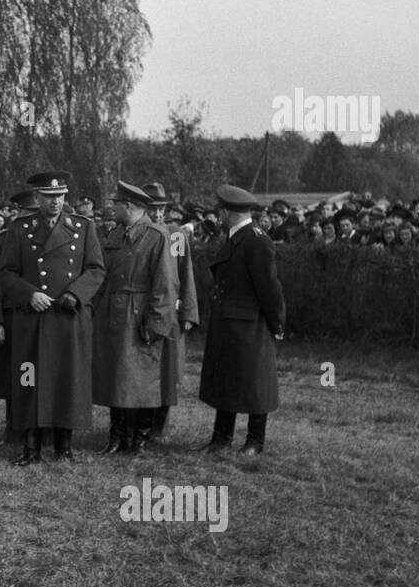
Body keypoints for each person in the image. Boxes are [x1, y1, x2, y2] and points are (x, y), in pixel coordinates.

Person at [0, 170, 105, 465]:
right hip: (32, 319)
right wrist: (29, 293)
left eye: (59, 196)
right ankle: (31, 448)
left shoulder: (83, 228)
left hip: (68, 318)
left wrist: (75, 294)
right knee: (29, 379)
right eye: (48, 197)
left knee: (66, 380)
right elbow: (6, 273)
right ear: (36, 198)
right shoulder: (20, 229)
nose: (55, 202)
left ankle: (64, 449)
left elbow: (96, 269)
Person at [197, 185, 286, 457]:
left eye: (221, 211)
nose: (219, 216)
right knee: (228, 381)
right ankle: (221, 438)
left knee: (255, 383)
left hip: (249, 324)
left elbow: (269, 287)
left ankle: (254, 441)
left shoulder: (255, 240)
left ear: (227, 212)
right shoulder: (238, 237)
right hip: (231, 321)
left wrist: (277, 323)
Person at [90, 182, 178, 455]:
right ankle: (116, 437)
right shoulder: (115, 233)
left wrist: (156, 322)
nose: (112, 207)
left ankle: (138, 439)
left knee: (143, 380)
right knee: (116, 377)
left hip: (140, 315)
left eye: (116, 203)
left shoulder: (157, 236)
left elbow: (166, 285)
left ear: (129, 206)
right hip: (113, 314)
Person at [144, 182, 198, 444]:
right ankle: (139, 422)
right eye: (152, 209)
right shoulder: (137, 234)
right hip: (144, 312)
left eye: (161, 209)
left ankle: (159, 425)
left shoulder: (176, 235)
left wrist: (188, 312)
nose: (157, 214)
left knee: (169, 371)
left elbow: (186, 275)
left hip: (172, 314)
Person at [0, 189, 36, 446]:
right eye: (22, 213)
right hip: (11, 316)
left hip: (38, 316)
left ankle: (38, 428)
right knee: (12, 374)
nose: (25, 218)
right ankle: (13, 427)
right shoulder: (4, 239)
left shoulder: (49, 238)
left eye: (31, 213)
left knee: (35, 372)